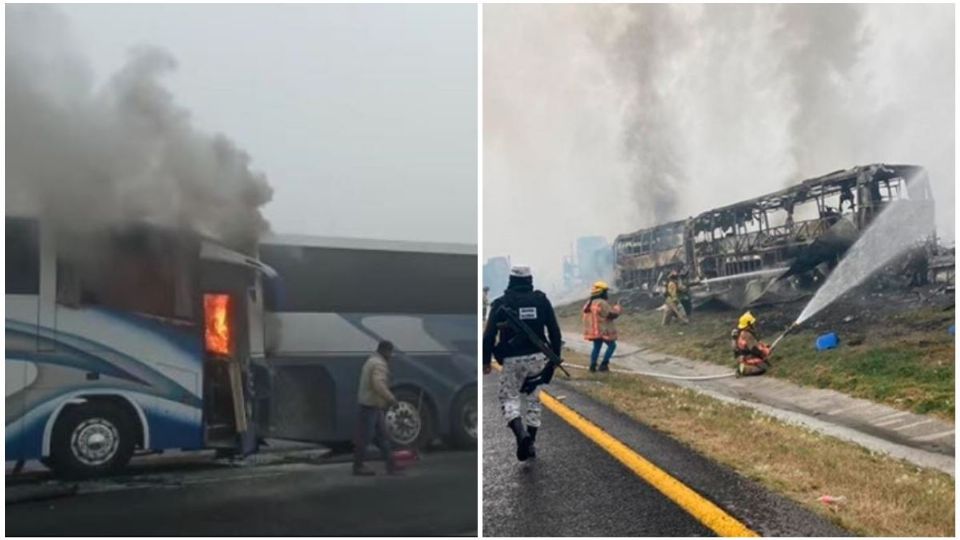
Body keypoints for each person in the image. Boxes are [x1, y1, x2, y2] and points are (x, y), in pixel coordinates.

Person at [482, 265, 562, 462]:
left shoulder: (500, 303)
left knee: (509, 399)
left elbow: (489, 335)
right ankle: (531, 443)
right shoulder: (541, 301)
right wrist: (553, 360)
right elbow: (555, 332)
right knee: (534, 400)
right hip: (538, 358)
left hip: (511, 360)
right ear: (530, 280)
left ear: (510, 281)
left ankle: (521, 435)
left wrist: (485, 361)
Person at [353, 340, 400, 476]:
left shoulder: (372, 360)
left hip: (372, 405)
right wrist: (391, 399)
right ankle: (358, 466)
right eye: (390, 353)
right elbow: (378, 384)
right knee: (365, 438)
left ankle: (391, 464)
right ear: (385, 351)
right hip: (370, 406)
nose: (391, 356)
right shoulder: (379, 364)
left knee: (382, 436)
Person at [582, 280, 621, 372]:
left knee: (596, 347)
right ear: (602, 292)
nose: (606, 293)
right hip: (602, 330)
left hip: (594, 331)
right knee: (612, 346)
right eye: (605, 291)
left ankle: (592, 366)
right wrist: (617, 309)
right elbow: (611, 315)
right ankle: (604, 364)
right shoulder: (602, 303)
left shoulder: (589, 303)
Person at [731, 311, 770, 376]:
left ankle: (744, 367)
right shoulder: (747, 334)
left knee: (764, 364)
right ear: (748, 324)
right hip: (747, 357)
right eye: (752, 323)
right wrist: (764, 352)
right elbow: (753, 349)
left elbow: (756, 344)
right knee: (764, 367)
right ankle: (745, 369)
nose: (753, 324)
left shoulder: (742, 332)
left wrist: (764, 346)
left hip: (743, 357)